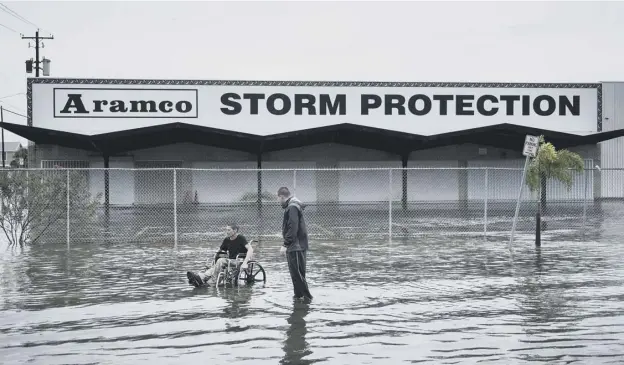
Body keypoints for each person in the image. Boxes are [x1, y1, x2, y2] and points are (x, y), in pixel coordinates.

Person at [187, 223, 254, 287]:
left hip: (239, 261)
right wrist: (214, 256)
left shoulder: (241, 238)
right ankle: (200, 277)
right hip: (230, 260)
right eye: (226, 230)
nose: (227, 232)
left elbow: (250, 250)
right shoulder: (227, 240)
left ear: (235, 230)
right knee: (215, 265)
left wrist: (245, 263)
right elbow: (220, 250)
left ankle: (212, 282)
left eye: (229, 230)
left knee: (220, 261)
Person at [277, 186, 312, 301]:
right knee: (297, 274)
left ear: (282, 197)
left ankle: (307, 298)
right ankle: (298, 296)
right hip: (297, 245)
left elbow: (293, 227)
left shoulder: (292, 207)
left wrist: (285, 244)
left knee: (297, 274)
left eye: (278, 199)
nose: (278, 201)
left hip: (295, 246)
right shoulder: (293, 206)